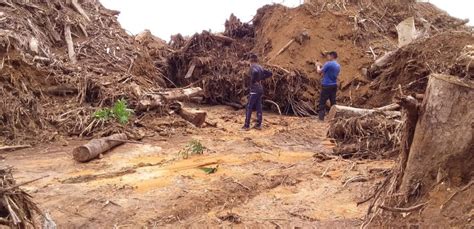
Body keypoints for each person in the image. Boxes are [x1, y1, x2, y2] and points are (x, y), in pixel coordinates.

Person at [242, 54, 273, 130]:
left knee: (249, 106)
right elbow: (270, 73)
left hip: (254, 89)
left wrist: (253, 81)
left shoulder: (252, 67)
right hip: (260, 89)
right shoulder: (260, 67)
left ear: (251, 60)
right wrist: (261, 78)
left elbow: (255, 72)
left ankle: (246, 125)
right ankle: (258, 124)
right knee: (259, 106)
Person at [315, 51, 341, 121]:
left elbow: (319, 72)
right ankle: (334, 118)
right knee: (333, 102)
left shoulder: (328, 64)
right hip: (334, 85)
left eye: (329, 56)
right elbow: (331, 73)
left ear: (332, 56)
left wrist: (317, 65)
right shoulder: (338, 66)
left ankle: (321, 119)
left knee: (322, 102)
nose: (327, 57)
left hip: (326, 85)